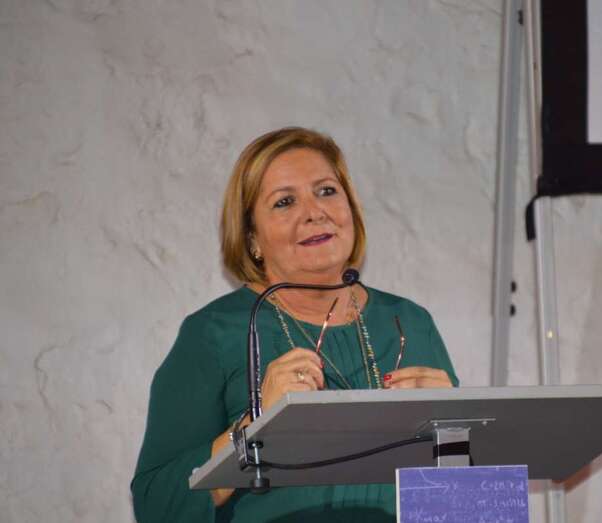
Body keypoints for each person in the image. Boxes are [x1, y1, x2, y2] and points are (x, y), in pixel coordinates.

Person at [131, 127, 459, 523]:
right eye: (285, 201)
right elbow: (155, 506)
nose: (314, 212)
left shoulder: (410, 322)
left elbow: (461, 500)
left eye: (326, 191)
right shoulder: (214, 333)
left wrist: (455, 437)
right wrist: (255, 426)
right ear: (252, 239)